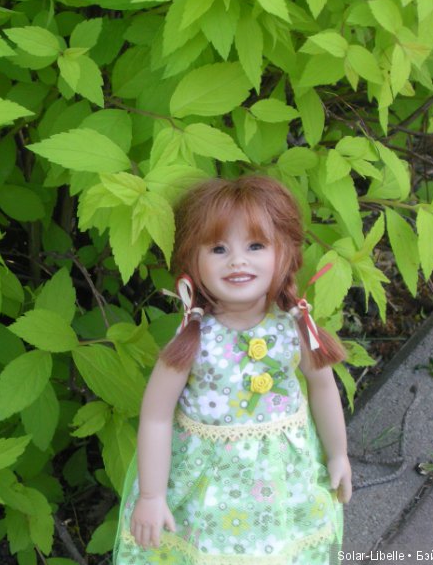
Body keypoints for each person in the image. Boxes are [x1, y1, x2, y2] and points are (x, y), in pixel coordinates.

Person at [112, 174, 352, 564]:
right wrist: (153, 495)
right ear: (194, 259)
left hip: (284, 481)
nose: (238, 260)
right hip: (208, 487)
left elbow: (323, 388)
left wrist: (338, 454)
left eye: (256, 245)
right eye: (219, 248)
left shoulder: (293, 326)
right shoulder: (195, 337)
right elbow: (156, 417)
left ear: (284, 253)